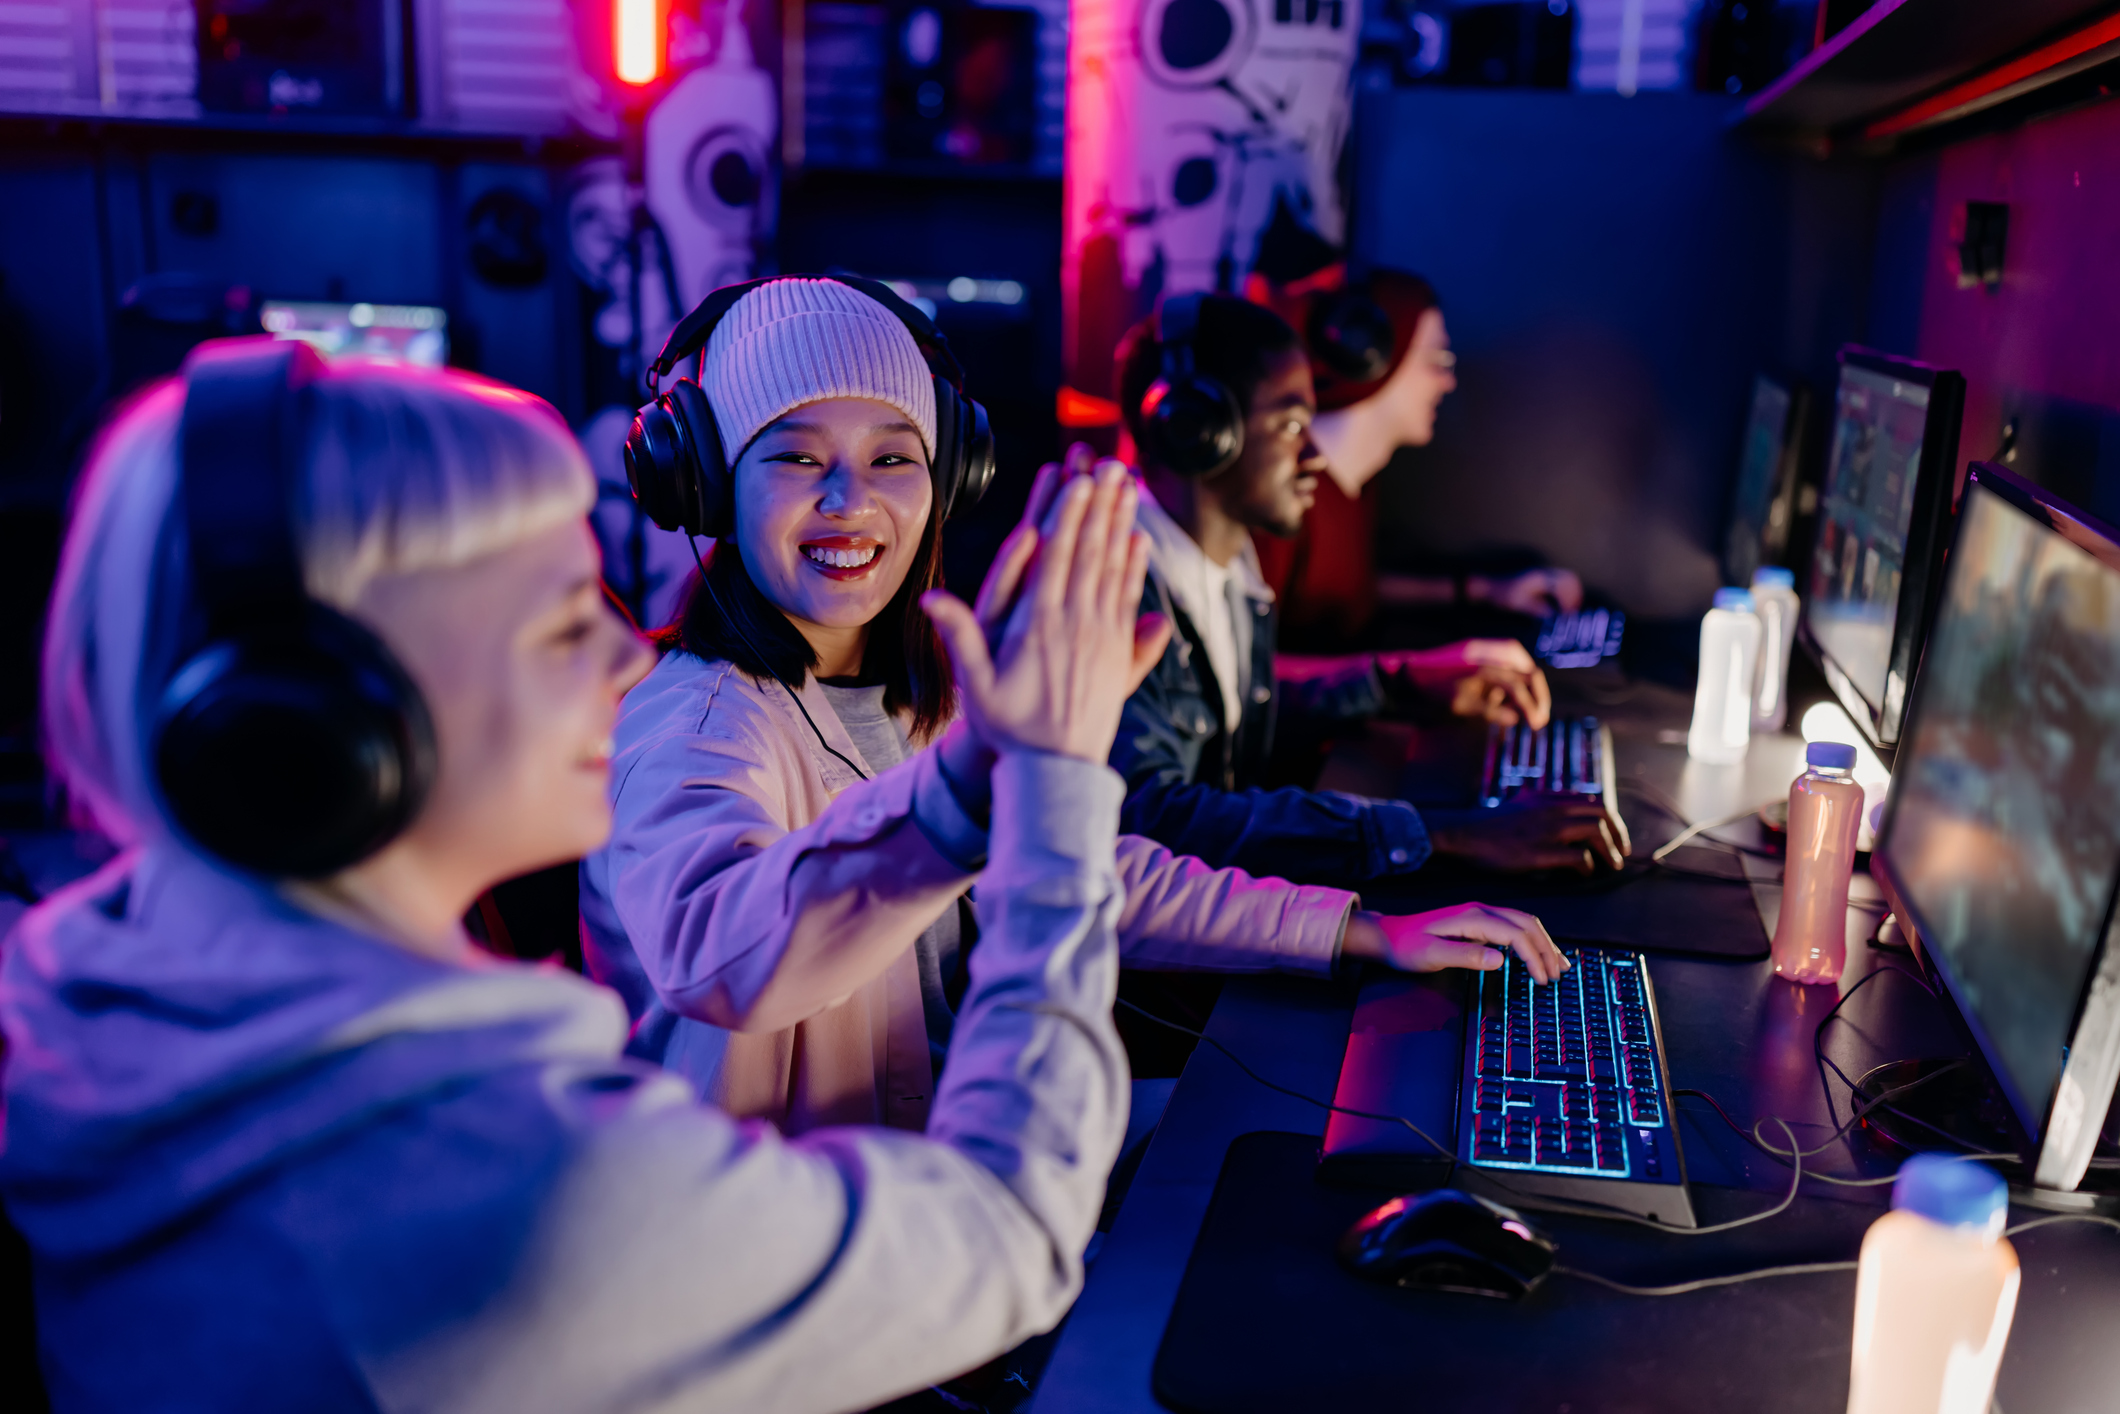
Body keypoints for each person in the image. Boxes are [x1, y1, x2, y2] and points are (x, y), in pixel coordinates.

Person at [6, 340, 1165, 1411]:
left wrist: (975, 779)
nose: (627, 661)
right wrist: (1051, 787)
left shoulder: (87, 1009)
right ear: (328, 723)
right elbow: (1008, 1236)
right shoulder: (525, 1188)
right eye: (567, 624)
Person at [579, 276, 1567, 1133]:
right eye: (795, 457)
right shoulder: (689, 727)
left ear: (948, 477)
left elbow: (1088, 867)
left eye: (893, 457)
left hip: (932, 1146)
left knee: (1293, 1131)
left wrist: (1356, 929)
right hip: (801, 1273)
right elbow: (723, 952)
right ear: (705, 484)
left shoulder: (915, 691)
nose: (850, 500)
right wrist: (965, 790)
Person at [1112, 292, 1628, 888]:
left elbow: (1239, 707)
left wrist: (1401, 683)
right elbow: (1154, 820)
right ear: (1195, 431)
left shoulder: (1227, 563)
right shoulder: (1124, 586)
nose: (1312, 454)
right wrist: (1449, 833)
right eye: (1289, 425)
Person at [1249, 266, 1584, 654]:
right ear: (1364, 356)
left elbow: (1353, 591)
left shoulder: (1353, 483)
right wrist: (1413, 674)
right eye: (1437, 360)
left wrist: (1487, 591)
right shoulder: (1283, 494)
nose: (1448, 382)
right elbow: (1248, 670)